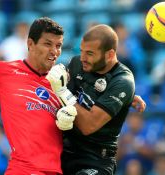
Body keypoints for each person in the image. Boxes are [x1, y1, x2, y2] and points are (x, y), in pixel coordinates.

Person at [0, 18, 145, 175]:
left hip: (59, 169)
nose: (54, 51)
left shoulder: (63, 77)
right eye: (47, 44)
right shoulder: (4, 71)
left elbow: (100, 81)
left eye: (59, 45)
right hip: (23, 168)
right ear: (30, 44)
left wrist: (129, 96)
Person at [46, 24, 146, 175]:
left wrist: (62, 91)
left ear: (110, 54)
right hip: (62, 151)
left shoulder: (122, 81)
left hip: (95, 160)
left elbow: (88, 125)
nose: (83, 58)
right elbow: (57, 98)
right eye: (82, 51)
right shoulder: (77, 63)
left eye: (90, 53)